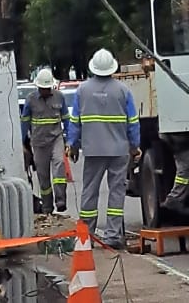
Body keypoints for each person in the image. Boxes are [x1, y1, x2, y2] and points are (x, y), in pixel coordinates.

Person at [67, 48, 140, 249]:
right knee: (116, 193)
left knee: (89, 192)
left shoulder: (82, 90)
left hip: (93, 150)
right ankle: (112, 237)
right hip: (119, 151)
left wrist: (72, 145)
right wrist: (135, 147)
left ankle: (85, 236)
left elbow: (75, 122)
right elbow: (132, 122)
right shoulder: (123, 91)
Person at [21, 68, 69, 215]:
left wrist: (70, 140)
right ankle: (47, 207)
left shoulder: (59, 97)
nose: (45, 91)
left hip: (56, 139)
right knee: (43, 177)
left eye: (47, 88)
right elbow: (24, 122)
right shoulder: (31, 100)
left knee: (59, 165)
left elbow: (66, 118)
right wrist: (22, 143)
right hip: (39, 143)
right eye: (43, 89)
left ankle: (60, 200)